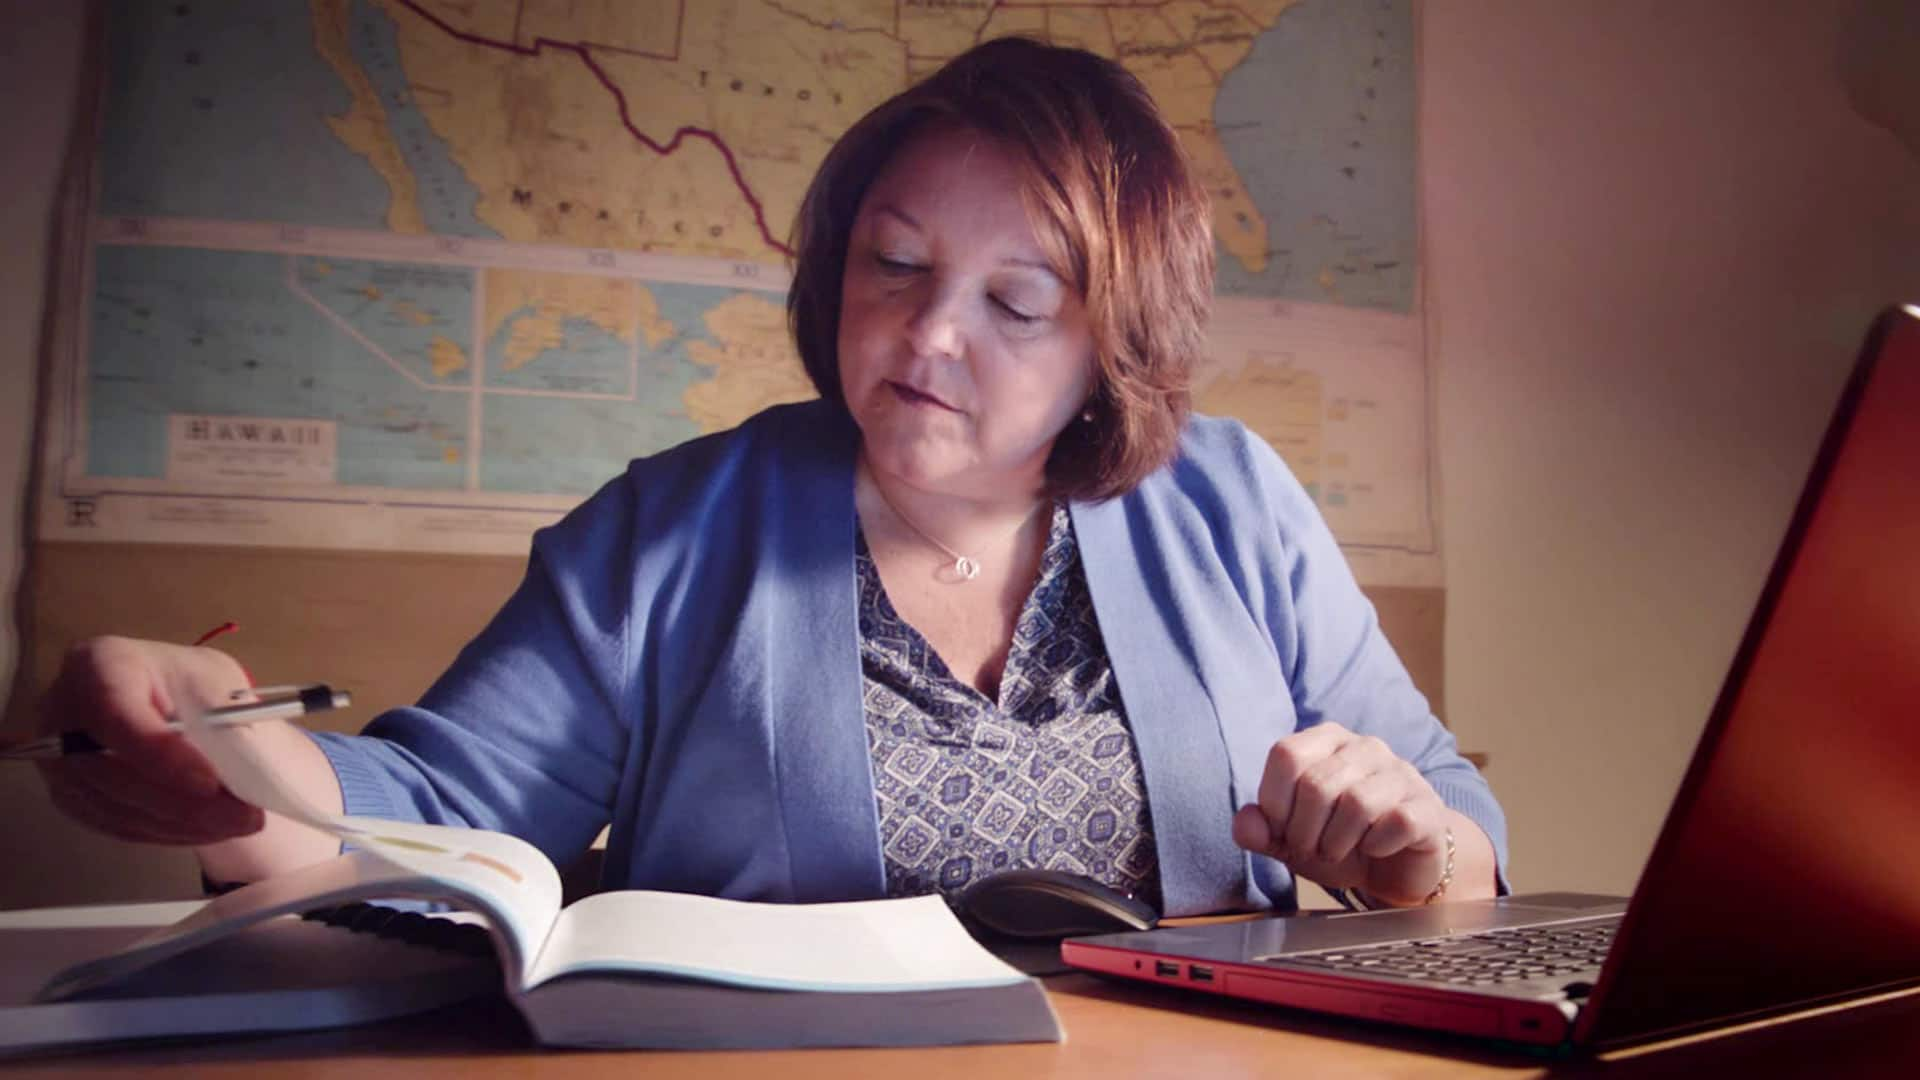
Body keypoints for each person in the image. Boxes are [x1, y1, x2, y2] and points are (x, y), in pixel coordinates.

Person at [37, 38, 1506, 916]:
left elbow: (1457, 832)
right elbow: (424, 805)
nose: (929, 331)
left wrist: (1412, 850)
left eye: (1016, 299)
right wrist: (224, 762)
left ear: (1110, 342)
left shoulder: (1233, 501)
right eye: (897, 261)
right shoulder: (667, 531)